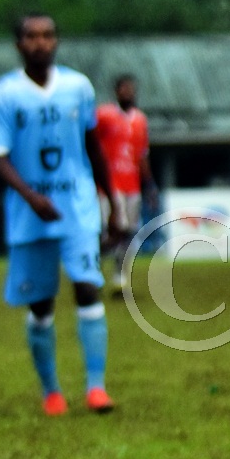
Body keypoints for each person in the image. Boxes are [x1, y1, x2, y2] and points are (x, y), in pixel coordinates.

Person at [0, 14, 115, 415]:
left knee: (87, 285)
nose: (41, 42)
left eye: (47, 35)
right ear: (19, 44)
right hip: (30, 213)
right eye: (31, 36)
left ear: (56, 41)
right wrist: (29, 196)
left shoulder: (78, 87)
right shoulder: (4, 94)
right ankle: (52, 391)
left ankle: (96, 388)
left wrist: (109, 199)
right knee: (41, 304)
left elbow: (93, 145)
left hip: (76, 206)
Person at [94, 74, 154, 294]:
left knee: (128, 232)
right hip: (110, 185)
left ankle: (120, 277)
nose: (129, 92)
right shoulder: (103, 115)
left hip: (133, 185)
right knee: (111, 230)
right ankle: (92, 269)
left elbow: (142, 154)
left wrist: (149, 185)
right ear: (116, 91)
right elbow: (90, 146)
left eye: (132, 89)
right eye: (125, 88)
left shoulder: (140, 119)